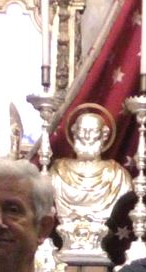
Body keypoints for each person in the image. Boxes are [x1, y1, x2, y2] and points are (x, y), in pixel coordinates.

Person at [52, 109, 134, 258]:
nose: (87, 137)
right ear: (74, 133)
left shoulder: (118, 175)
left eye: (93, 131)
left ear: (104, 135)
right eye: (83, 131)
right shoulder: (56, 172)